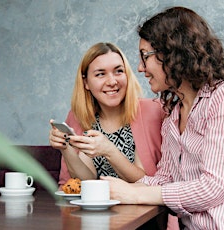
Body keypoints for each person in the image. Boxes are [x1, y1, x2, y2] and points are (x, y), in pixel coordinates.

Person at [102, 7, 224, 229]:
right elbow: (164, 181)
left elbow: (213, 187)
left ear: (173, 53)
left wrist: (135, 194)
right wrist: (115, 189)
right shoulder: (172, 116)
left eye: (145, 56)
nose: (140, 68)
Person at [49, 42, 164, 185]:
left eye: (118, 71)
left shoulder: (151, 111)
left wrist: (109, 150)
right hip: (97, 206)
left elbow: (143, 181)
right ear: (86, 82)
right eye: (100, 74)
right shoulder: (78, 117)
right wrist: (65, 149)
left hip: (140, 205)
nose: (112, 81)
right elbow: (86, 181)